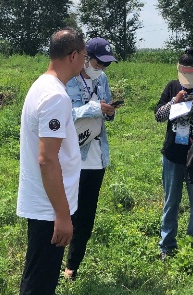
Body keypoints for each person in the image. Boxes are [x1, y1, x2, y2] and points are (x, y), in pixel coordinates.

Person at [16, 28, 86, 295]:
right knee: (39, 284)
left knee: (38, 277)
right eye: (84, 55)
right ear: (73, 55)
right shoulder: (55, 96)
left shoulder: (42, 85)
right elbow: (47, 159)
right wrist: (62, 215)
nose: (85, 61)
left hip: (46, 202)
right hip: (50, 207)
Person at [63, 37, 121, 279]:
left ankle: (72, 266)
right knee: (66, 212)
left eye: (106, 65)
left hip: (97, 158)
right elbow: (66, 113)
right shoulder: (69, 80)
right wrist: (94, 108)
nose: (102, 68)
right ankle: (53, 258)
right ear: (86, 58)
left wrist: (109, 111)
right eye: (99, 63)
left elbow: (106, 113)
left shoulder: (102, 79)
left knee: (86, 215)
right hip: (74, 155)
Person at [154, 47, 193, 259]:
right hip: (173, 155)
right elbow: (158, 116)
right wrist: (174, 102)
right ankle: (166, 245)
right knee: (171, 201)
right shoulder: (172, 86)